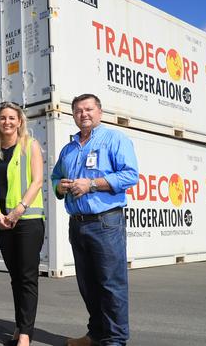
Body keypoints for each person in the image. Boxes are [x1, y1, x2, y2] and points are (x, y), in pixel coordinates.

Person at [51, 94, 139, 346]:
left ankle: (115, 341)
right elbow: (56, 177)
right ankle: (96, 334)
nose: (83, 114)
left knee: (111, 285)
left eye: (88, 109)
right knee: (87, 285)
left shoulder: (115, 139)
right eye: (78, 110)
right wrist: (62, 187)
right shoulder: (69, 148)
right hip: (77, 223)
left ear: (99, 112)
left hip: (105, 223)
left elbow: (130, 175)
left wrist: (91, 184)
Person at [0, 103, 44, 346]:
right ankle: (20, 324)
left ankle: (26, 333)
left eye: (12, 118)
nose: (7, 122)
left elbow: (37, 181)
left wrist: (18, 210)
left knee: (28, 277)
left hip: (27, 221)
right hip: (3, 223)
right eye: (2, 118)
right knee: (15, 278)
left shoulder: (30, 146)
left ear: (19, 121)